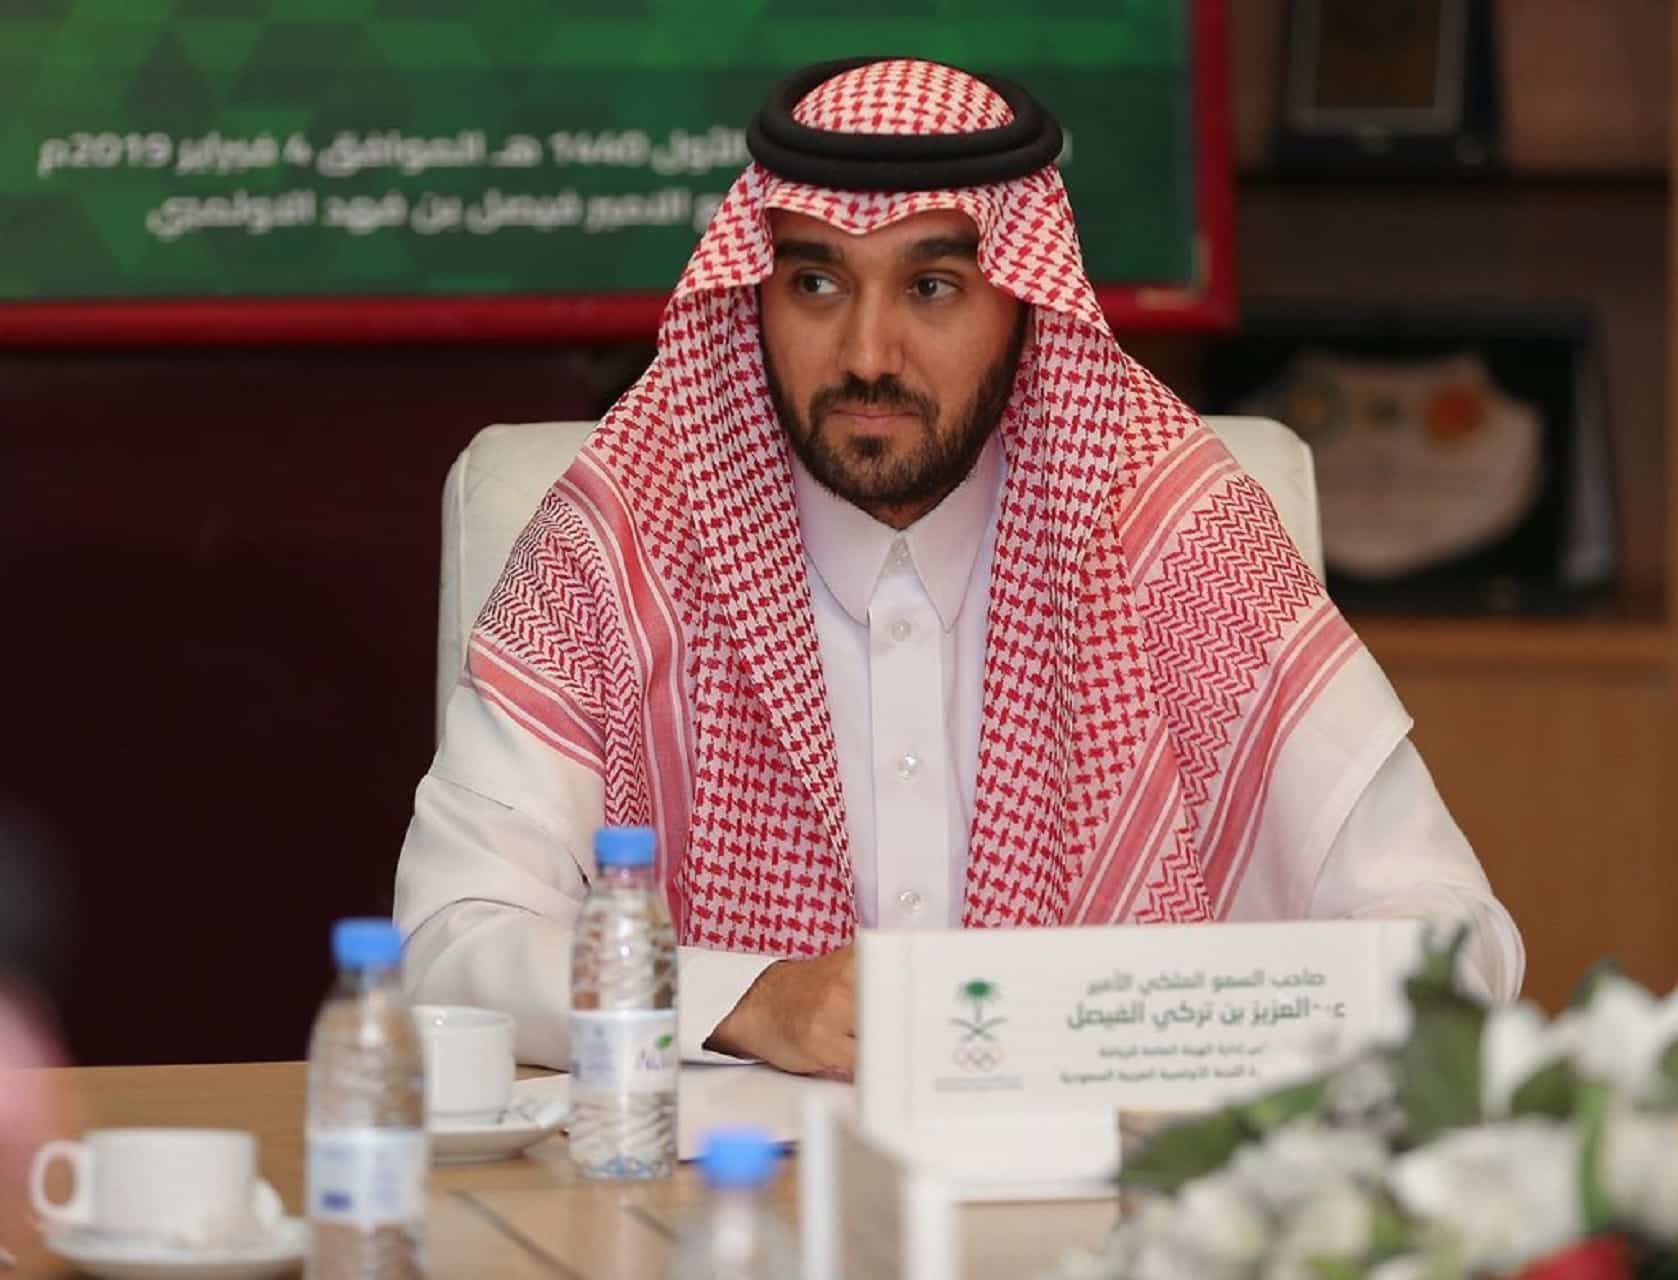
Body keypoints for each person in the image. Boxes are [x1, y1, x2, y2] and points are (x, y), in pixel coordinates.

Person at [394, 57, 1523, 1078]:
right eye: (816, 283)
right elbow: (449, 940)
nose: (866, 355)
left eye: (931, 286)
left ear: (1023, 305)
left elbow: (1453, 937)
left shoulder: (1173, 530)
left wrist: (1177, 1021)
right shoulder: (624, 533)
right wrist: (747, 1000)